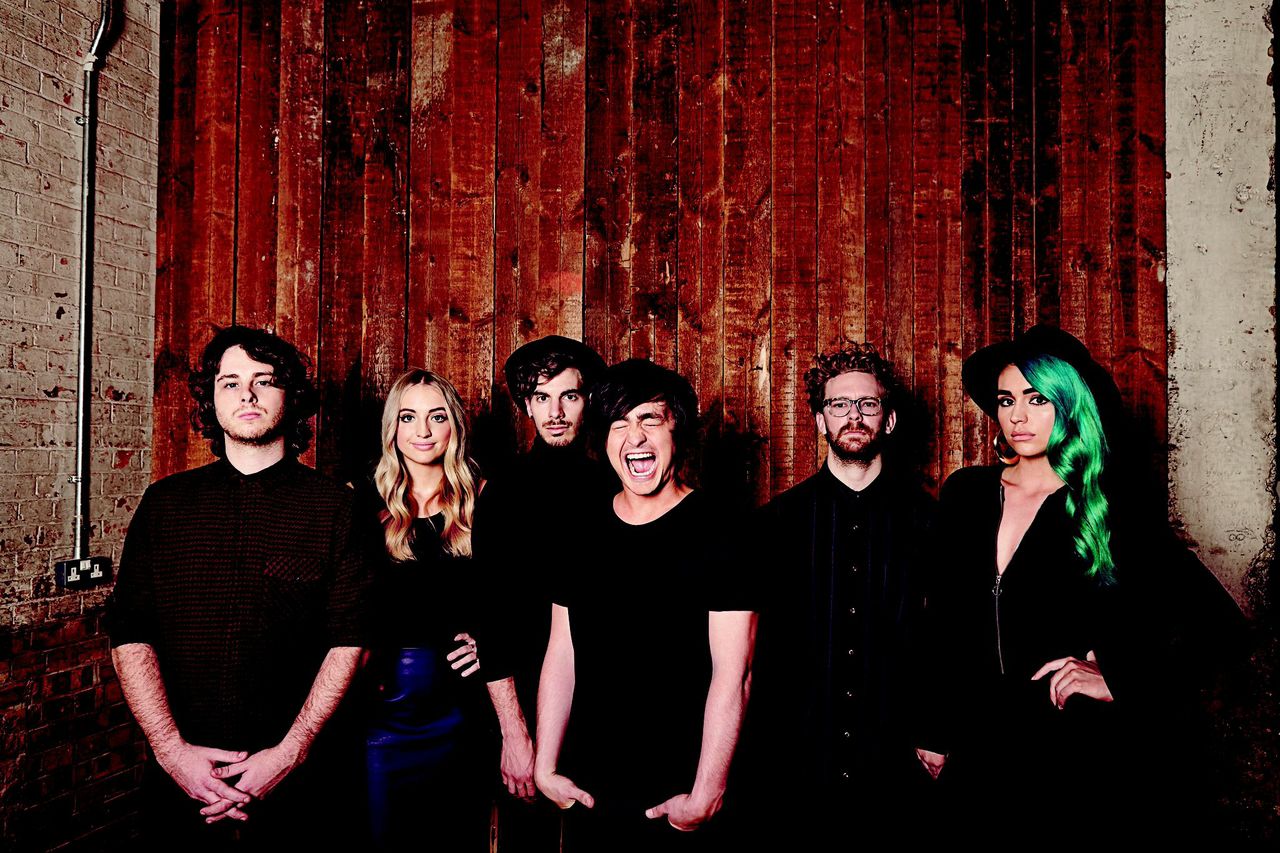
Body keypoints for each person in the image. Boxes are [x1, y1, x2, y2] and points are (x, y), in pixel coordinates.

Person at [913, 324, 1246, 840]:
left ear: (1069, 405)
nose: (1017, 416)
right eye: (1006, 400)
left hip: (1074, 755)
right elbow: (942, 620)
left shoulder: (1107, 507)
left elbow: (1222, 628)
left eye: (1037, 399)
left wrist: (1121, 678)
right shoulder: (966, 494)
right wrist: (934, 727)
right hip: (978, 749)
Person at [107, 326, 369, 849]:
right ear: (211, 399)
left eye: (263, 380)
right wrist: (171, 751)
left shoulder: (337, 508)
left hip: (302, 783)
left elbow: (352, 642)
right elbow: (130, 634)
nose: (246, 394)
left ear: (290, 396)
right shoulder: (165, 504)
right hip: (183, 781)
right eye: (230, 382)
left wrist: (290, 752)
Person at [534, 359, 756, 851]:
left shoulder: (724, 531)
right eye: (618, 423)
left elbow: (734, 674)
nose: (634, 437)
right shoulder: (578, 531)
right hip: (589, 792)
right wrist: (545, 766)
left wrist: (706, 794)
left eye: (649, 419)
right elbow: (562, 654)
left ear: (677, 430)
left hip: (681, 795)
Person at [745, 342, 933, 844]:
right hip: (795, 768)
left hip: (897, 769)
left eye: (868, 404)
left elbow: (951, 636)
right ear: (819, 420)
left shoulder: (931, 523)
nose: (854, 416)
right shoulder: (773, 526)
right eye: (839, 404)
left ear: (889, 420)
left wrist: (934, 733)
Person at [471, 335, 610, 851]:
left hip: (603, 707)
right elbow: (491, 617)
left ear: (587, 402)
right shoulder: (503, 494)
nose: (555, 412)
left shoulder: (615, 487)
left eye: (568, 396)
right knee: (527, 848)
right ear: (526, 406)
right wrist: (515, 733)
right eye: (541, 397)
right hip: (525, 703)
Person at [357, 369, 490, 850]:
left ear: (455, 424)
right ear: (392, 427)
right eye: (408, 417)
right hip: (382, 713)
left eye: (437, 416)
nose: (423, 431)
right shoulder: (361, 501)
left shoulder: (484, 499)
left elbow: (514, 597)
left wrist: (488, 639)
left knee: (455, 841)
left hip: (461, 709)